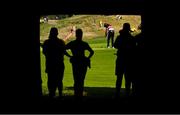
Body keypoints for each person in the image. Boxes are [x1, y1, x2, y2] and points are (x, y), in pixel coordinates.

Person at [65, 29, 94, 100]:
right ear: (81, 35)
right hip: (83, 62)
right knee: (81, 79)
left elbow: (63, 49)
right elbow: (92, 52)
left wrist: (70, 56)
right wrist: (87, 58)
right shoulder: (84, 43)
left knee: (76, 79)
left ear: (76, 35)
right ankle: (80, 94)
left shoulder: (72, 43)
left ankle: (76, 95)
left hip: (75, 62)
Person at [42, 27, 71, 98]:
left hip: (50, 64)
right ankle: (60, 94)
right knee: (59, 80)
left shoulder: (46, 42)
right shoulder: (60, 42)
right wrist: (70, 56)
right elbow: (64, 51)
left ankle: (51, 94)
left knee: (50, 80)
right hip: (59, 64)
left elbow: (44, 52)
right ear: (57, 33)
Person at [114, 23, 136, 97]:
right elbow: (134, 49)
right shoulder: (132, 38)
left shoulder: (119, 37)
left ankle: (117, 93)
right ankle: (127, 93)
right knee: (128, 79)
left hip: (120, 59)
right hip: (129, 61)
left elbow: (115, 45)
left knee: (119, 78)